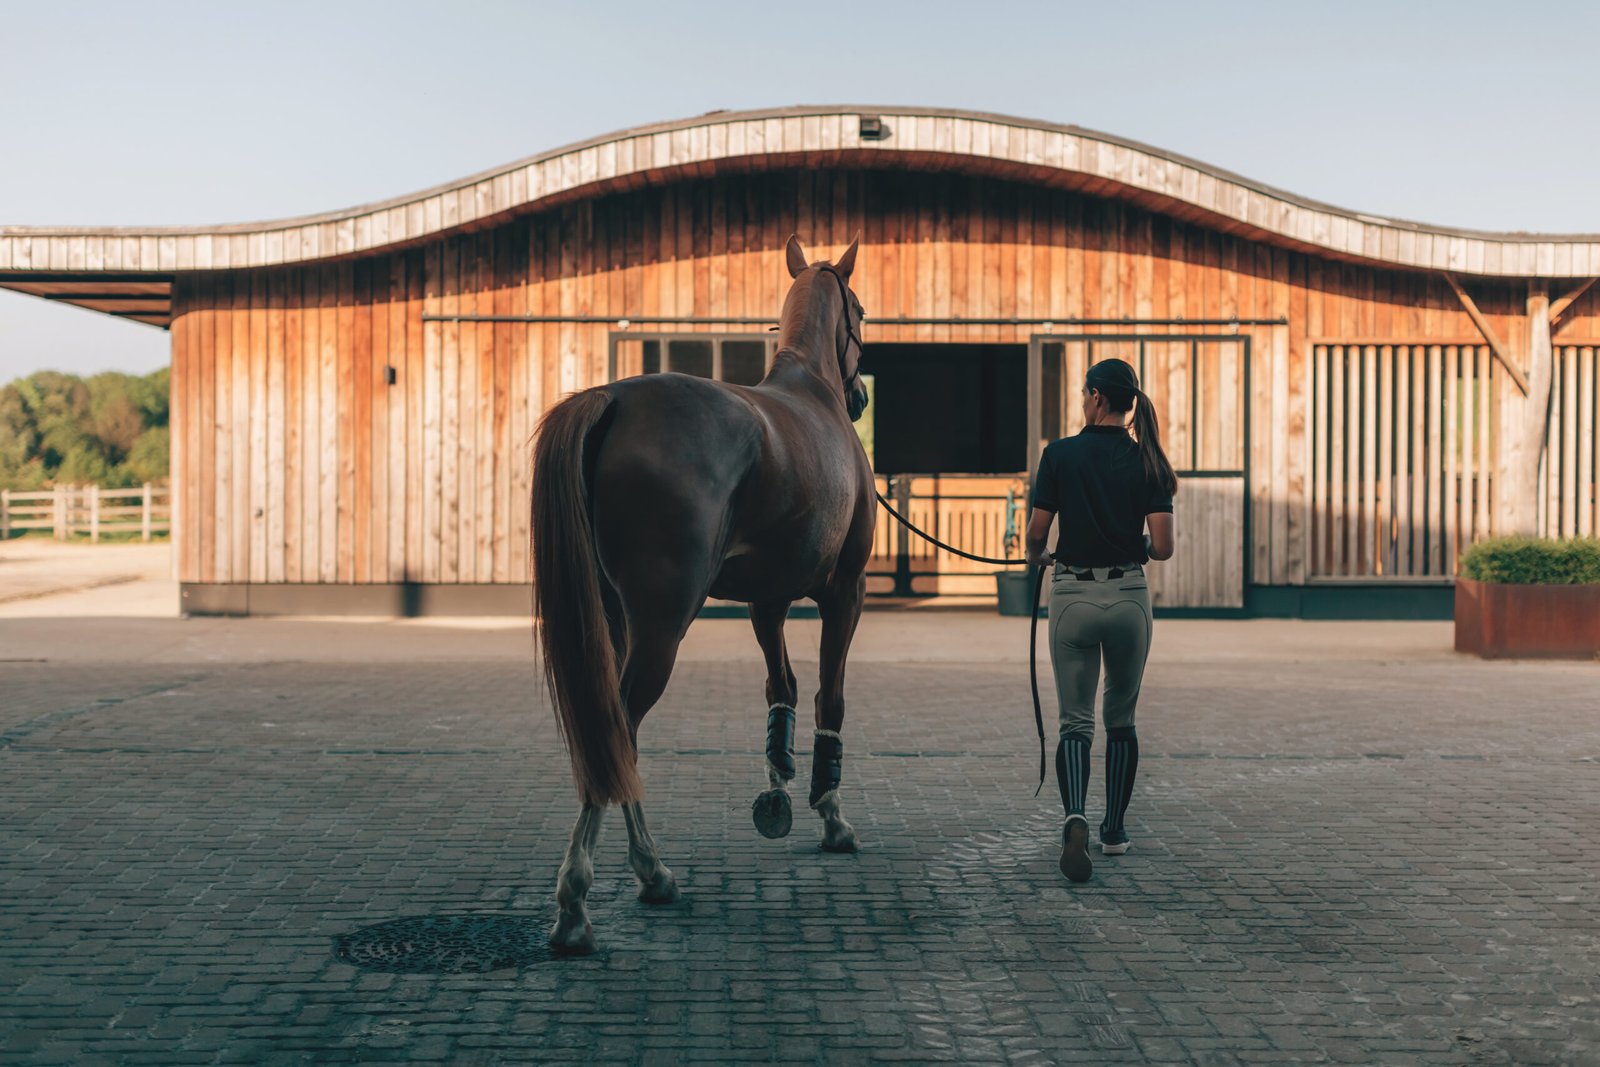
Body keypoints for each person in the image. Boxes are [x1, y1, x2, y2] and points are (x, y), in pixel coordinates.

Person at [1024, 358, 1176, 883]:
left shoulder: (1060, 455)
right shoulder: (1149, 460)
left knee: (1074, 722)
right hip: (1130, 597)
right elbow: (1162, 546)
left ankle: (1075, 818)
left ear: (1095, 399)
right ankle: (1113, 830)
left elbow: (1037, 533)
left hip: (1073, 597)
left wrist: (1040, 556)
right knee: (1121, 720)